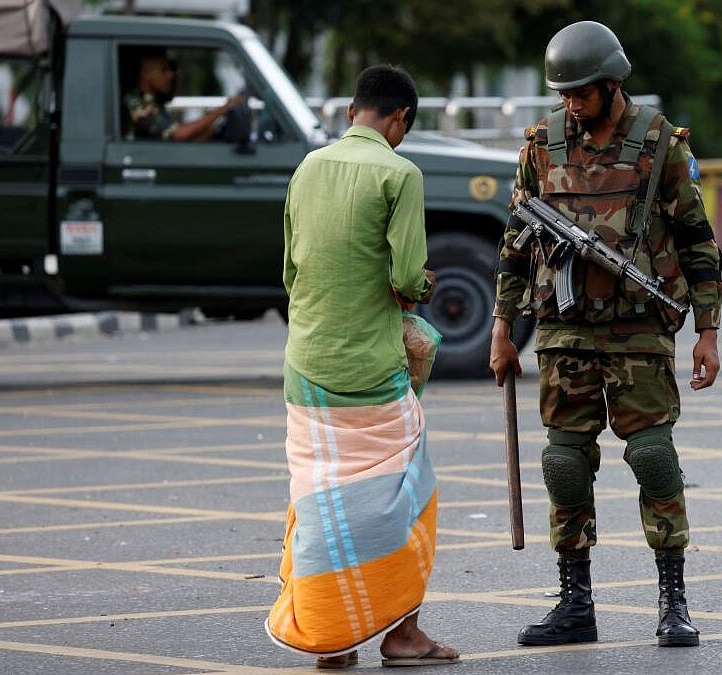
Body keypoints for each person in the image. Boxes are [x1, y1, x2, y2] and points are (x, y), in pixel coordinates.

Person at [488, 21, 722, 649]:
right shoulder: (541, 145)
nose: (571, 104)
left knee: (653, 459)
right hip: (564, 333)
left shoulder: (658, 142)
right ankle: (575, 604)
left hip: (639, 331)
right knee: (564, 465)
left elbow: (699, 242)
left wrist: (708, 331)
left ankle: (673, 602)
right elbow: (515, 246)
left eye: (582, 94)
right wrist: (502, 330)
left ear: (612, 84)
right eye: (563, 94)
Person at [265, 65, 460, 669]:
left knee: (319, 497)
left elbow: (291, 274)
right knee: (406, 495)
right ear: (399, 119)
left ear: (353, 112)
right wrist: (421, 285)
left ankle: (331, 640)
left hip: (306, 364)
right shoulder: (401, 174)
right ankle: (401, 635)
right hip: (370, 371)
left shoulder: (307, 168)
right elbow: (405, 277)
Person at [123, 48, 243, 141]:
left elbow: (182, 133)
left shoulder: (154, 101)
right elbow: (178, 134)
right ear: (146, 73)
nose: (170, 75)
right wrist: (223, 109)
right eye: (163, 70)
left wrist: (213, 127)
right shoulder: (135, 101)